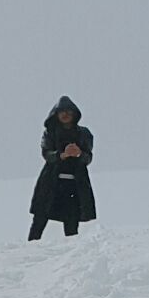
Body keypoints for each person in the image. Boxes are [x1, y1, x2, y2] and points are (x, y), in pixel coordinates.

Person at [29, 96, 95, 241]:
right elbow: (46, 153)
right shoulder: (50, 133)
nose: (65, 115)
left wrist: (79, 153)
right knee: (40, 217)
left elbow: (88, 157)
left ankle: (72, 253)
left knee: (71, 221)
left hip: (74, 184)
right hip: (51, 181)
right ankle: (29, 248)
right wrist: (62, 155)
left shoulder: (83, 133)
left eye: (69, 112)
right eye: (62, 112)